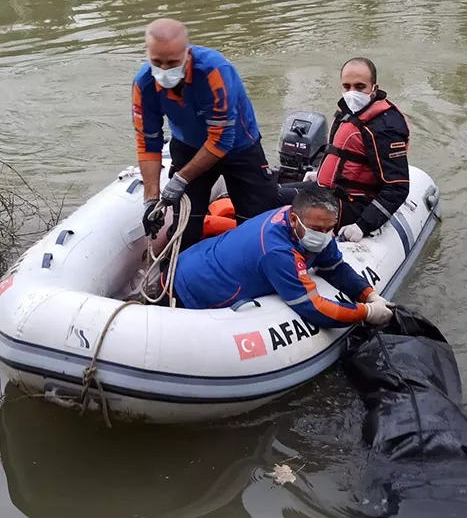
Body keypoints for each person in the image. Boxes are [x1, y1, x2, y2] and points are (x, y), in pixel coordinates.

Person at [132, 18, 277, 252]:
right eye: (157, 62)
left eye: (172, 62)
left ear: (187, 53)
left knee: (257, 227)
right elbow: (147, 142)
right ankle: (175, 278)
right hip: (188, 146)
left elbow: (222, 139)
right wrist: (151, 199)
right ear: (147, 54)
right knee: (185, 229)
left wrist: (181, 179)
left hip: (239, 147)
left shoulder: (214, 71)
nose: (165, 70)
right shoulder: (144, 83)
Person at [167, 187, 393, 328]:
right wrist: (366, 313)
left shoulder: (310, 228)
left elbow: (334, 266)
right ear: (294, 220)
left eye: (329, 228)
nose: (324, 235)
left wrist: (369, 294)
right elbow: (314, 309)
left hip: (200, 261)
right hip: (189, 289)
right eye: (317, 228)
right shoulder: (278, 252)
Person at [279, 57, 410, 242]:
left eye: (360, 86)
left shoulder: (385, 128)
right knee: (269, 193)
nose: (352, 93)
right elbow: (343, 155)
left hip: (354, 205)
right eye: (346, 86)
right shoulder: (347, 112)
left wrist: (362, 225)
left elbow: (397, 187)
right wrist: (321, 173)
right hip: (328, 191)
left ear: (374, 87)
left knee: (273, 202)